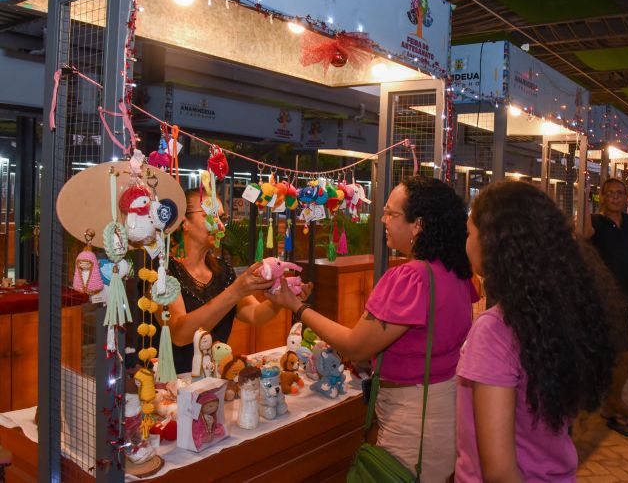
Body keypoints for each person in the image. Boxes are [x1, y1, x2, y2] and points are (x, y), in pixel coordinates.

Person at [266, 175, 476, 482]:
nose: (383, 219)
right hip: (446, 408)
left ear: (417, 225)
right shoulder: (456, 273)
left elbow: (354, 345)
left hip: (413, 420)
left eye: (391, 214)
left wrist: (297, 307)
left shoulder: (411, 278)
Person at [456, 181, 615, 482]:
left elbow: (501, 473)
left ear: (492, 243)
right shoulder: (560, 313)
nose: (466, 243)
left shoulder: (494, 331)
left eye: (469, 233)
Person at [166, 188, 311, 374]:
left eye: (221, 218)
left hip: (215, 378)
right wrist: (235, 291)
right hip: (173, 384)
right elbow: (180, 334)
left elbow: (255, 314)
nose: (219, 225)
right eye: (210, 216)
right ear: (184, 222)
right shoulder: (163, 272)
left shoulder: (221, 271)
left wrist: (280, 299)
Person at [585, 177, 628, 438]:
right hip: (603, 296)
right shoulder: (595, 223)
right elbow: (582, 235)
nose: (616, 197)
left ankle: (611, 400)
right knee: (622, 351)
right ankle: (611, 400)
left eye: (620, 193)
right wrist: (585, 196)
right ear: (603, 197)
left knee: (623, 351)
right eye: (610, 193)